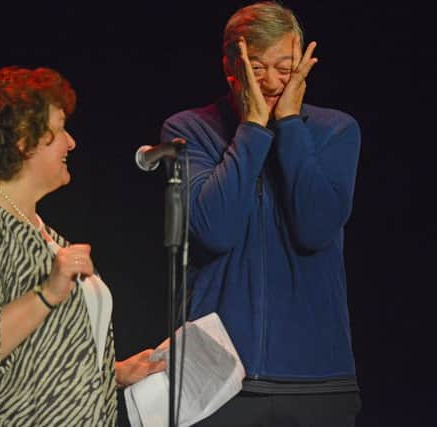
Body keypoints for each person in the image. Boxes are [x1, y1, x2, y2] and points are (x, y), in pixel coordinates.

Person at [0, 66, 164, 426]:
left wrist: (114, 373)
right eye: (59, 129)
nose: (72, 142)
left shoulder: (49, 239)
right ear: (24, 140)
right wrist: (47, 293)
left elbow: (35, 357)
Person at [160, 2, 362, 425]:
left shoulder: (336, 130)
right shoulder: (189, 129)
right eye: (255, 67)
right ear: (230, 66)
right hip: (216, 377)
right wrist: (252, 129)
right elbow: (213, 229)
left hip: (317, 377)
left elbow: (315, 227)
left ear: (303, 64)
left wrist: (288, 124)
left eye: (284, 67)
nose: (270, 82)